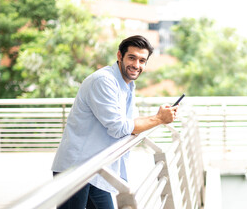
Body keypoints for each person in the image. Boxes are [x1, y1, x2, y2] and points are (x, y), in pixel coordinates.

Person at [51, 35, 178, 209]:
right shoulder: (104, 81)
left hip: (98, 168)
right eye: (131, 58)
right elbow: (119, 128)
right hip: (77, 168)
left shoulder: (126, 85)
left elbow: (130, 123)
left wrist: (158, 116)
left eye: (142, 60)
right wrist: (158, 119)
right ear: (119, 55)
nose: (136, 65)